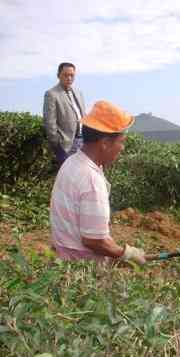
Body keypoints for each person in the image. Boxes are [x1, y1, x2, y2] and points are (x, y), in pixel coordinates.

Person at [49, 100, 146, 265]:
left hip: (63, 258)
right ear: (105, 143)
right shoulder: (91, 180)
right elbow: (94, 241)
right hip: (81, 269)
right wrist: (126, 253)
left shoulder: (72, 162)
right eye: (121, 142)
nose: (122, 148)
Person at [43, 62, 86, 168]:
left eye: (72, 75)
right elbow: (49, 122)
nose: (69, 78)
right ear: (58, 75)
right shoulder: (51, 94)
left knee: (81, 178)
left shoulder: (78, 92)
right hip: (66, 145)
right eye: (66, 75)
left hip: (83, 142)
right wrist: (58, 147)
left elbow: (83, 116)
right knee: (68, 179)